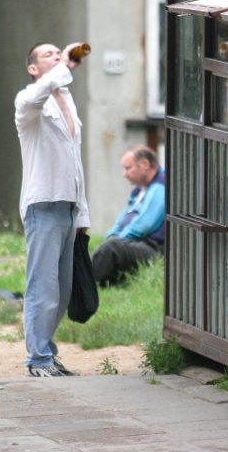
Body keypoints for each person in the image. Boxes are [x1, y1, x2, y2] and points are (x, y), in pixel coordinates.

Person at [15, 42, 90, 377]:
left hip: (68, 206)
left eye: (59, 52)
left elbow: (75, 163)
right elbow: (38, 95)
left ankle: (45, 349)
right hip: (42, 204)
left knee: (61, 291)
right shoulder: (28, 100)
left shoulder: (68, 102)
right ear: (33, 68)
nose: (57, 56)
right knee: (42, 288)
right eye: (48, 54)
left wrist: (82, 214)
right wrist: (66, 67)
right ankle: (38, 358)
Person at [91, 145, 166, 285]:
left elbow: (144, 224)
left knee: (113, 247)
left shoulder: (161, 185)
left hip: (154, 249)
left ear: (145, 164)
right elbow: (123, 219)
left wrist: (118, 240)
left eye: (127, 168)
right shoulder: (139, 190)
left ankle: (78, 283)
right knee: (110, 245)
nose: (124, 174)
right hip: (138, 243)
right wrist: (112, 235)